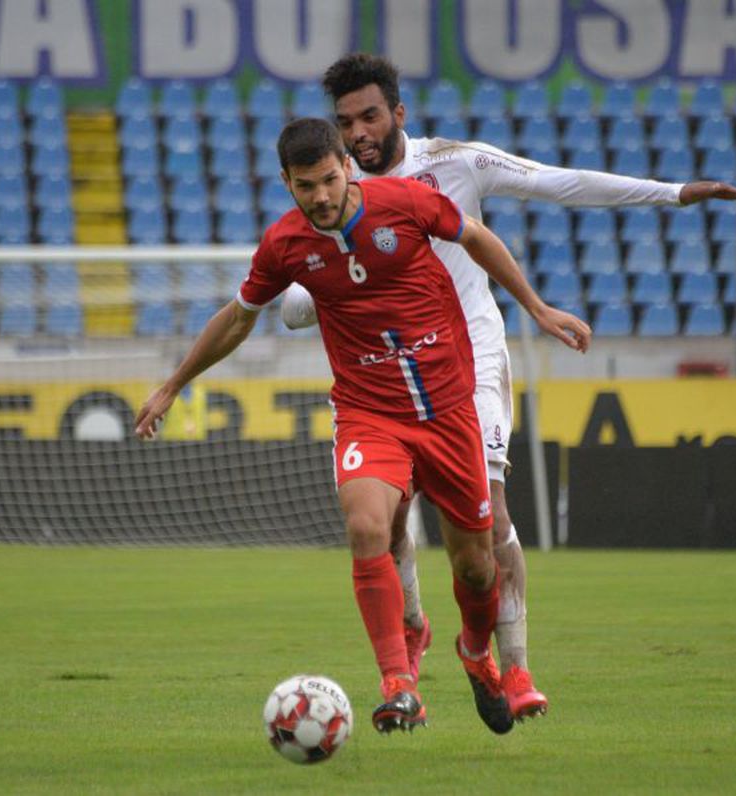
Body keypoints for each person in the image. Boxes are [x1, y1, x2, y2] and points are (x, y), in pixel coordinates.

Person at [280, 52, 736, 719]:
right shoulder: (333, 188)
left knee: (491, 518)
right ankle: (412, 628)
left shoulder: (455, 163)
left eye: (370, 116)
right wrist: (305, 298)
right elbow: (295, 292)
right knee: (384, 521)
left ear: (398, 113)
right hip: (384, 376)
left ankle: (515, 665)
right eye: (346, 121)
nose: (358, 133)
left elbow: (561, 183)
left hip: (469, 360)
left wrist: (672, 192)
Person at [135, 118, 590, 734]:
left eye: (329, 179)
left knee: (476, 568)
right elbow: (239, 317)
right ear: (286, 182)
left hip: (449, 411)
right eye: (305, 186)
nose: (320, 196)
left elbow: (477, 237)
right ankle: (398, 683)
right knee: (367, 525)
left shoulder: (404, 203)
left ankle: (474, 651)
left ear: (347, 167)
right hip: (369, 414)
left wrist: (535, 306)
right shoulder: (284, 244)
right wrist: (172, 385)